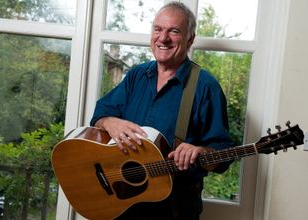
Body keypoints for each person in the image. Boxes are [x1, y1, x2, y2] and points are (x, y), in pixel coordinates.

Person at [90, 1, 233, 220]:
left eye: (174, 31)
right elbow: (100, 113)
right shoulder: (137, 76)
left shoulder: (205, 87)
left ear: (190, 39)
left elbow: (222, 155)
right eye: (158, 29)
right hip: (122, 203)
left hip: (174, 209)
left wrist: (201, 152)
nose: (163, 38)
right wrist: (109, 122)